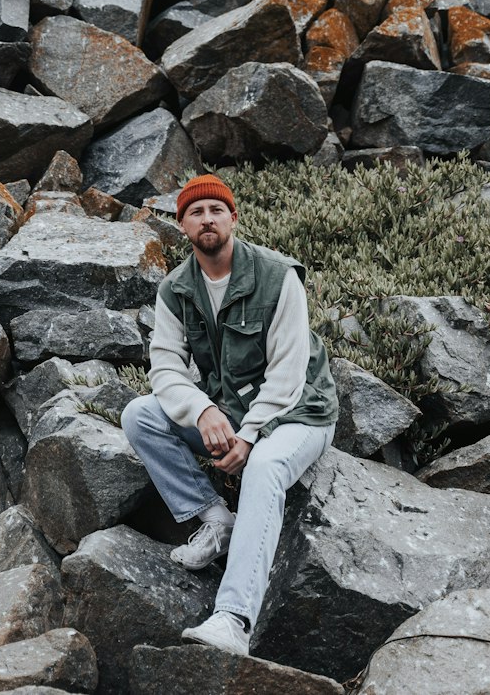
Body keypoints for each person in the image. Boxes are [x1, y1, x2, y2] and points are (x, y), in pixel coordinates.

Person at [121, 172, 338, 656]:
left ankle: (234, 620)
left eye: (216, 210)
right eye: (195, 212)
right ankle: (216, 520)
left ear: (234, 218)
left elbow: (289, 374)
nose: (207, 219)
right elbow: (165, 368)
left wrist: (250, 436)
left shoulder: (278, 276)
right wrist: (201, 411)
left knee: (264, 466)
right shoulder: (176, 290)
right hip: (233, 415)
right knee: (140, 415)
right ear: (182, 226)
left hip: (301, 414)